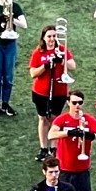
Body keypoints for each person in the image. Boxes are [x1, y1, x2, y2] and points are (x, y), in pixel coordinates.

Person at [28, 25, 75, 160]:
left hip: (59, 92)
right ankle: (43, 148)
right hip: (41, 92)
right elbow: (33, 73)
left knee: (55, 119)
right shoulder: (38, 53)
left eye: (54, 36)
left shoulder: (62, 50)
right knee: (43, 119)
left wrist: (62, 60)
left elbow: (73, 66)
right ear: (44, 37)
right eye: (49, 36)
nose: (52, 39)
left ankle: (54, 148)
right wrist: (46, 65)